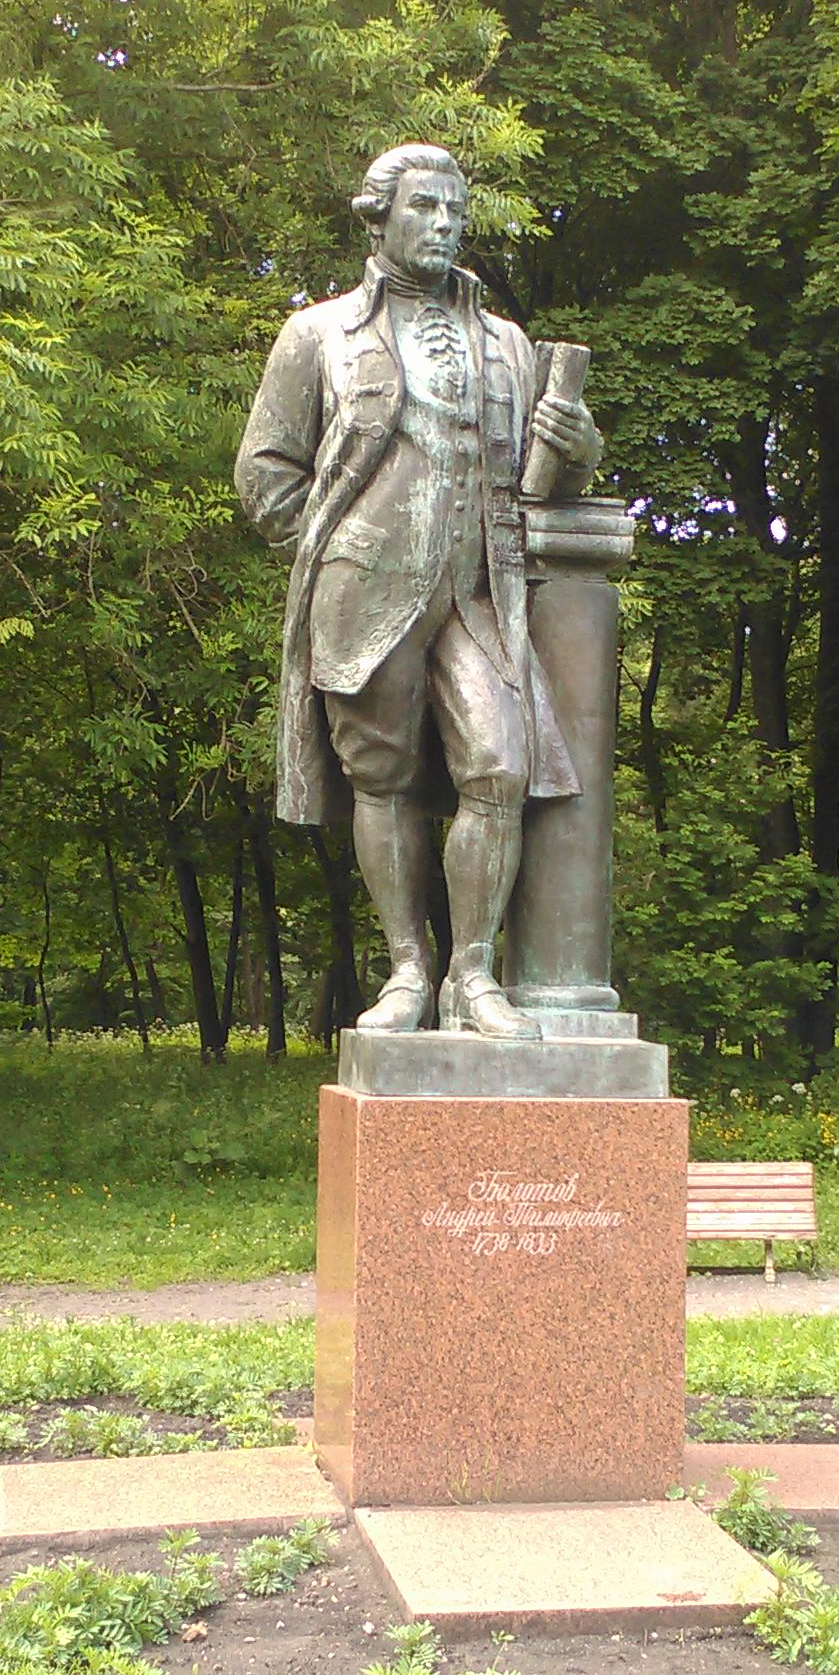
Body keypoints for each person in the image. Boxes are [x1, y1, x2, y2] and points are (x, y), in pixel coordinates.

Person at [236, 143, 603, 1039]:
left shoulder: (505, 343)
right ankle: (408, 968)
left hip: (481, 593)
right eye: (425, 208)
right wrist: (334, 551)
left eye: (454, 211)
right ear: (380, 217)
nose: (444, 225)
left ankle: (473, 976)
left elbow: (539, 486)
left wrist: (577, 443)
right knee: (382, 775)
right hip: (366, 595)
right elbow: (263, 472)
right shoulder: (320, 334)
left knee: (501, 765)